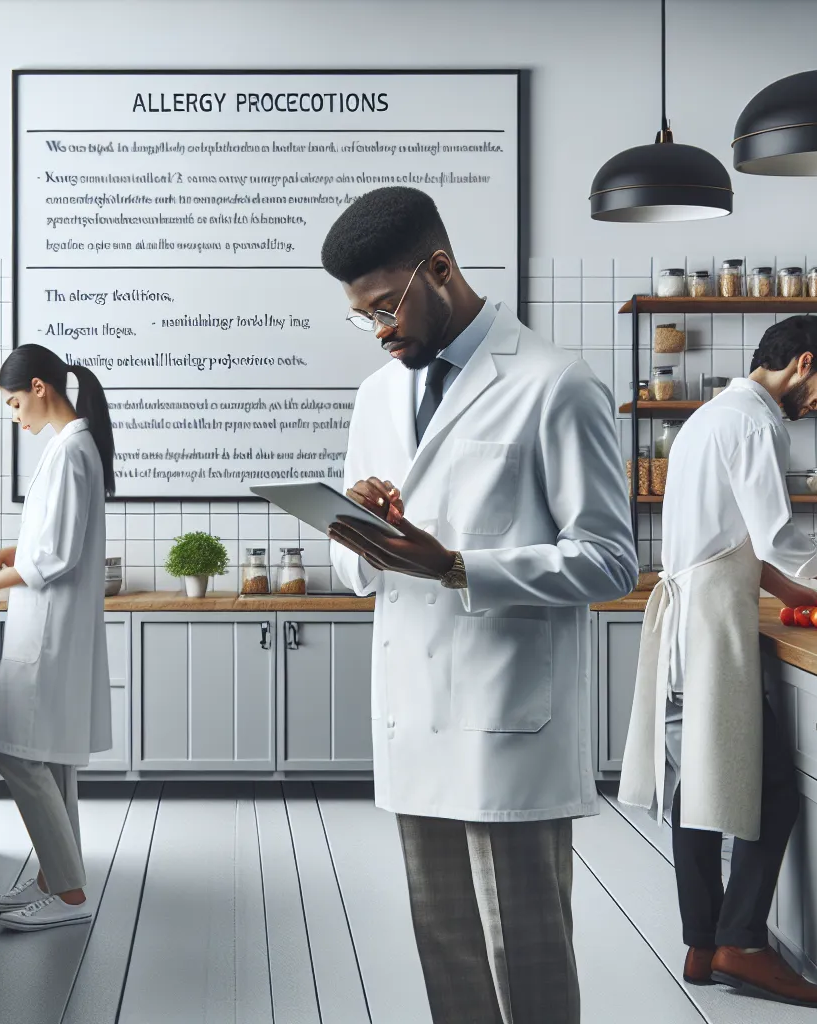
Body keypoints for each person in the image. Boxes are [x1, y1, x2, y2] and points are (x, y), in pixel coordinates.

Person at [319, 186, 638, 1024]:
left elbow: (610, 560)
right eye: (363, 317)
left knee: (524, 956)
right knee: (448, 957)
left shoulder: (555, 383)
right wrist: (362, 532)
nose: (381, 330)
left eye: (387, 306)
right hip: (413, 719)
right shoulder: (377, 398)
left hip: (506, 724)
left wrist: (460, 567)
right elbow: (358, 568)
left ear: (441, 269)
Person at [618, 315, 817, 1008]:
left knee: (696, 781)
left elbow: (740, 539)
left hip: (695, 608)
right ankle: (742, 943)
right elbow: (776, 535)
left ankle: (701, 942)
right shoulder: (757, 423)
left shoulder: (708, 417)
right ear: (802, 362)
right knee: (771, 787)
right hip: (714, 621)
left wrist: (799, 594)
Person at [0, 343, 115, 933]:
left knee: (18, 754)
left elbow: (55, 556)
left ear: (40, 388)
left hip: (49, 627)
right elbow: (47, 540)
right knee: (49, 758)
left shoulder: (72, 450)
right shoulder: (68, 447)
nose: (14, 414)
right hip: (47, 624)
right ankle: (56, 877)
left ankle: (71, 894)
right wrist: (6, 554)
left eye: (14, 401)